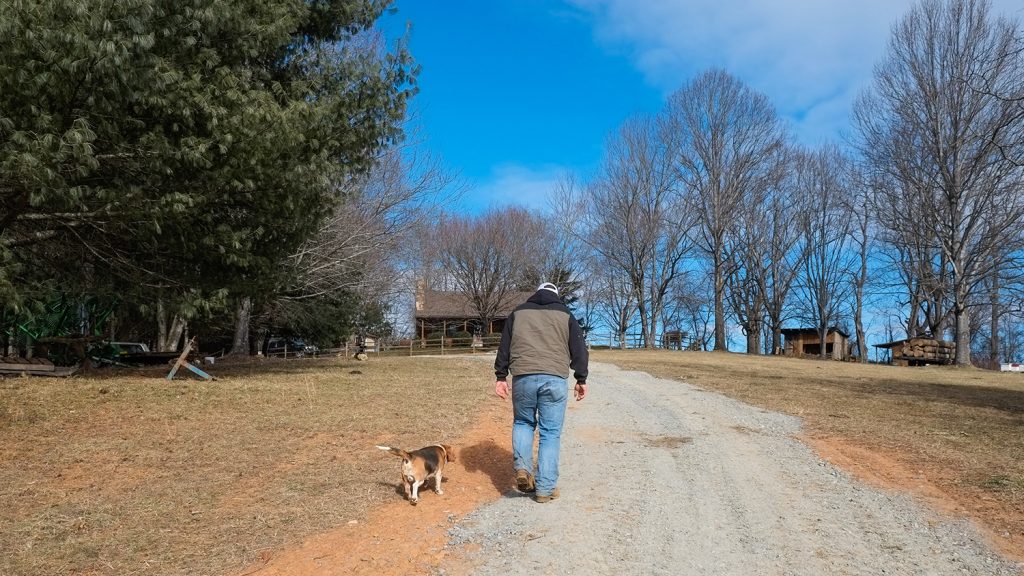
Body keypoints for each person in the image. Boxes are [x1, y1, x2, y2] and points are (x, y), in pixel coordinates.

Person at [494, 281, 589, 503]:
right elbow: (579, 349)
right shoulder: (565, 314)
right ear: (556, 295)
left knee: (523, 423)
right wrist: (581, 378)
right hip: (554, 378)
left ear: (536, 293)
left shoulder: (518, 312)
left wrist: (500, 376)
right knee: (550, 432)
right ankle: (545, 489)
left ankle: (522, 469)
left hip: (523, 377)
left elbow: (504, 346)